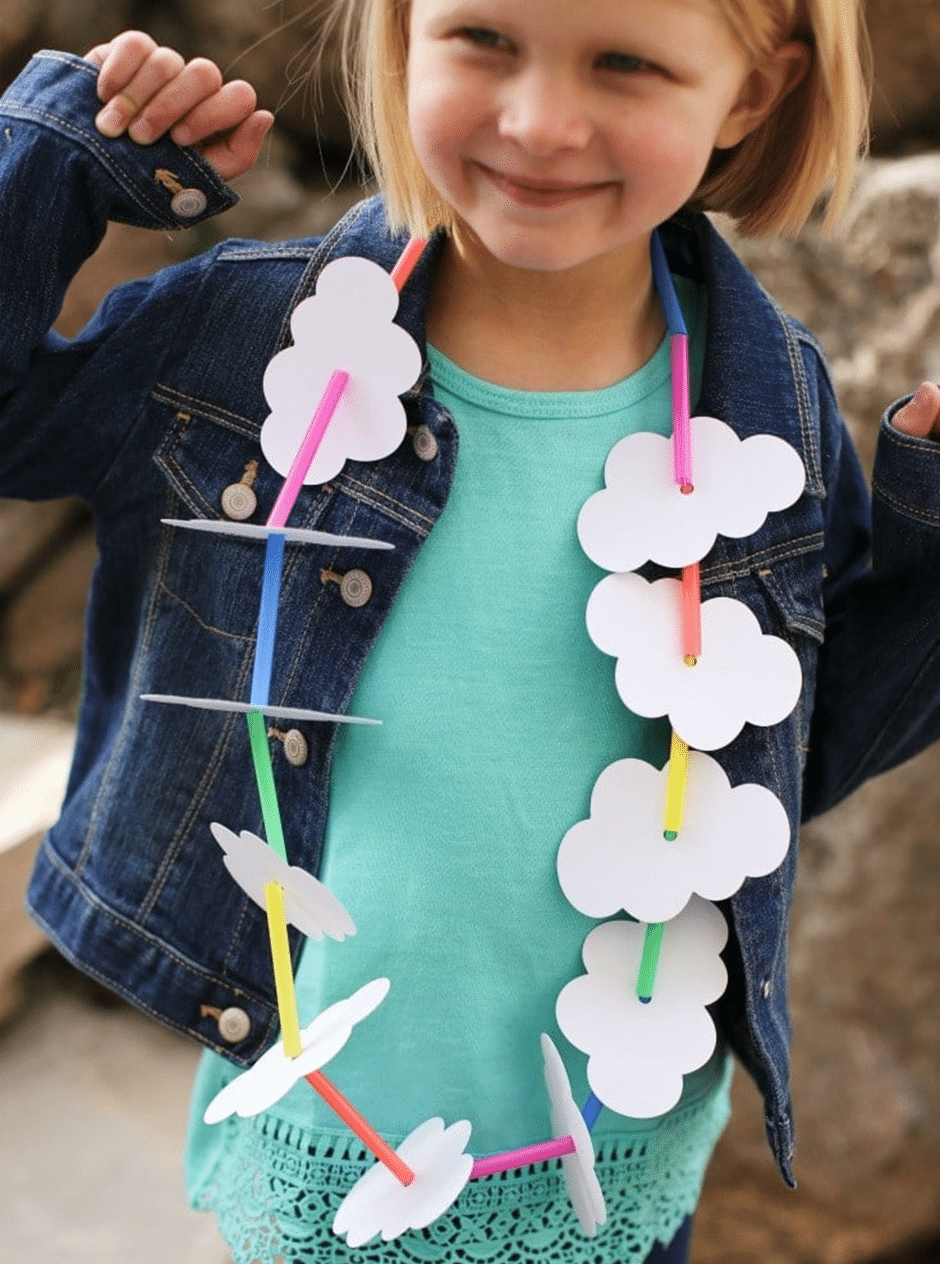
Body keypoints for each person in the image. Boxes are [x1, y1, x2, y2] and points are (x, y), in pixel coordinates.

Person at [2, 2, 940, 1261]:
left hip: (607, 1153)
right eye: (485, 39)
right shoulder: (248, 347)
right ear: (399, 33)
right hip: (320, 1140)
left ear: (752, 97)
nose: (540, 121)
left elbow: (786, 761)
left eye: (625, 62)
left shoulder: (762, 426)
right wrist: (54, 150)